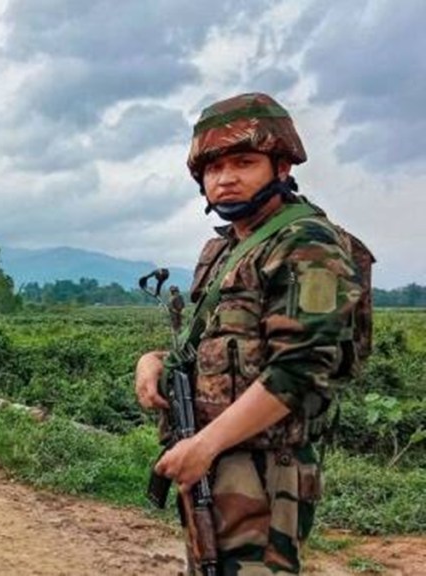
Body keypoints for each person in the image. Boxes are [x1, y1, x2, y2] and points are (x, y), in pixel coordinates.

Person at [134, 93, 368, 574]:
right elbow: (222, 343)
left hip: (265, 470)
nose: (225, 179)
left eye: (244, 163)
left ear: (281, 166)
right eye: (213, 168)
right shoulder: (224, 251)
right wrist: (154, 361)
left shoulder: (307, 244)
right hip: (212, 456)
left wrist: (205, 445)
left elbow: (299, 370)